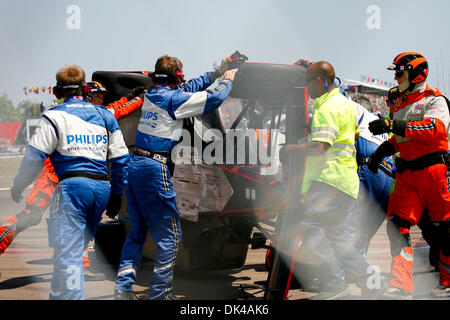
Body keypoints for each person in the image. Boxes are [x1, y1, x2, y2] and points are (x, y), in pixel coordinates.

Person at [113, 54, 238, 300]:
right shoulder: (173, 100)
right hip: (154, 168)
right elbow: (212, 99)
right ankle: (160, 294)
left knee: (137, 232)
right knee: (171, 236)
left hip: (135, 165)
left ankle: (123, 289)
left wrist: (214, 73)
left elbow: (186, 88)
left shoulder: (152, 94)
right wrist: (227, 80)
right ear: (177, 76)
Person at [0, 80, 144, 281]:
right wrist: (139, 98)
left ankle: (81, 267)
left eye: (103, 97)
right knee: (31, 215)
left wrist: (132, 98)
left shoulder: (97, 113)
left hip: (70, 181)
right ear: (86, 95)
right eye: (97, 96)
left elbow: (117, 109)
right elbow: (116, 111)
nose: (101, 100)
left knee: (82, 221)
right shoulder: (74, 114)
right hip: (50, 177)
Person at [281, 61, 370, 300]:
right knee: (339, 238)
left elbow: (320, 147)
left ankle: (334, 288)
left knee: (310, 229)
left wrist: (292, 148)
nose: (307, 88)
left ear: (319, 80)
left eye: (308, 82)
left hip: (328, 180)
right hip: (345, 182)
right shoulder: (346, 104)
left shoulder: (326, 107)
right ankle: (370, 283)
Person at [368, 52, 450, 299]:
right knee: (397, 226)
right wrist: (382, 150)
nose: (395, 77)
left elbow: (435, 129)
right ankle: (401, 285)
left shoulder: (434, 100)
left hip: (435, 172)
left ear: (416, 74)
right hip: (407, 175)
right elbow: (403, 137)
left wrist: (393, 125)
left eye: (399, 72)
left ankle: (446, 282)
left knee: (444, 230)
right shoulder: (401, 103)